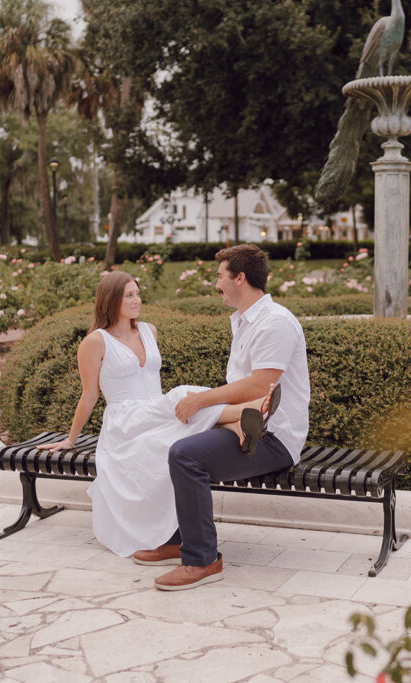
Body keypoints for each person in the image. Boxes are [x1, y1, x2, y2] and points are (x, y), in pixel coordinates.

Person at [38, 271, 276, 557]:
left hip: (154, 412)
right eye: (129, 295)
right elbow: (89, 395)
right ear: (110, 299)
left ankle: (240, 423)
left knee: (184, 421)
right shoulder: (95, 342)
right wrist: (71, 439)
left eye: (138, 293)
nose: (136, 299)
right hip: (125, 421)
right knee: (182, 396)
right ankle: (250, 410)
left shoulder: (150, 331)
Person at [132, 244, 311, 590]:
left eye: (219, 275)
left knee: (185, 455)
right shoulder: (245, 321)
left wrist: (203, 401)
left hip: (275, 439)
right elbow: (247, 387)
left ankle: (202, 559)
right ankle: (177, 539)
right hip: (251, 424)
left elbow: (261, 383)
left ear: (239, 278)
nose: (216, 283)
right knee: (167, 436)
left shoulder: (275, 323)